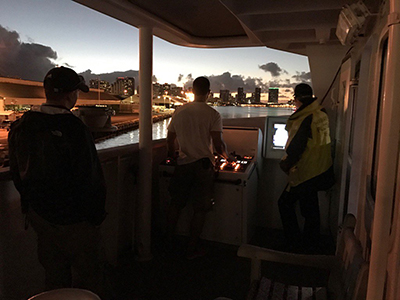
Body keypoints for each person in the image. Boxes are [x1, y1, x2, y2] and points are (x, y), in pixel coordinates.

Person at [8, 66, 108, 295]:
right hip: (76, 219)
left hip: (41, 216)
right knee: (89, 276)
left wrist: (31, 206)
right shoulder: (75, 128)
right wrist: (96, 216)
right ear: (69, 94)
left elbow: (17, 172)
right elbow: (90, 177)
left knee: (54, 276)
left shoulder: (23, 125)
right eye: (76, 92)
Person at [166, 76, 230, 259]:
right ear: (209, 93)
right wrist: (227, 157)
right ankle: (191, 248)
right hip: (203, 167)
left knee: (176, 204)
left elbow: (170, 139)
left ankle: (168, 242)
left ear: (192, 91)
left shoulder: (179, 111)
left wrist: (172, 155)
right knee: (200, 209)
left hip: (183, 164)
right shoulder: (213, 114)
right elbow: (218, 145)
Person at [278, 83, 334, 254]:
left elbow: (295, 148)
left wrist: (285, 164)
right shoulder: (320, 113)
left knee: (285, 203)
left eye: (294, 99)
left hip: (308, 171)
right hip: (322, 168)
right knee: (310, 208)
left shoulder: (303, 118)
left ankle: (296, 244)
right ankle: (310, 243)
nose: (294, 103)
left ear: (298, 98)